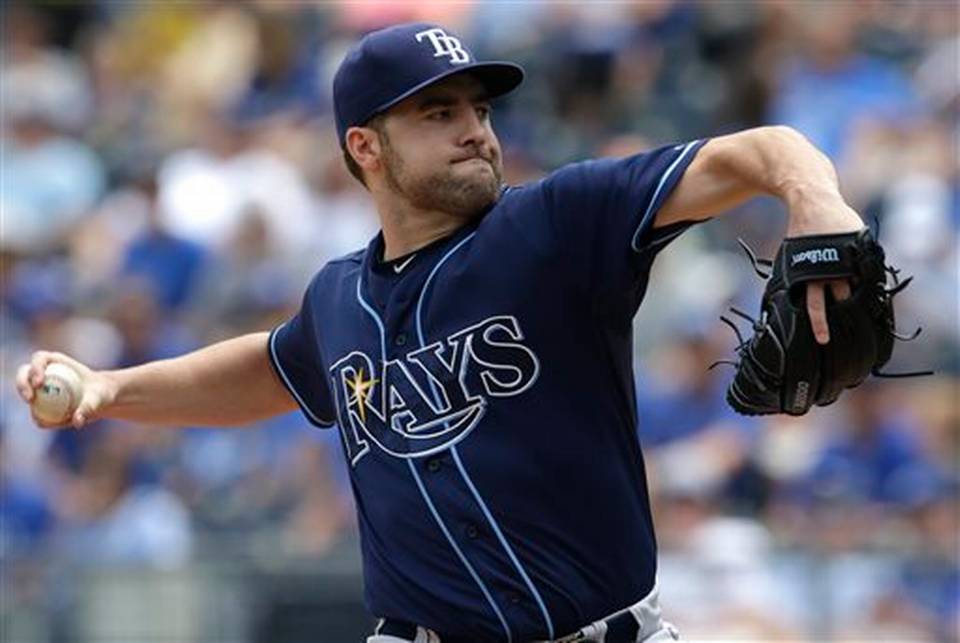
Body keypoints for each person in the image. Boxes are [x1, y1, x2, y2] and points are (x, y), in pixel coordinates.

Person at [16, 22, 865, 643]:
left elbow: (762, 149)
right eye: (437, 112)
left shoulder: (557, 224)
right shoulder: (338, 298)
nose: (475, 128)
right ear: (366, 146)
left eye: (478, 109)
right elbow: (269, 370)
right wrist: (110, 389)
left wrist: (814, 198)